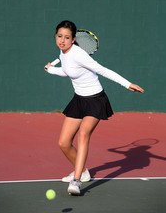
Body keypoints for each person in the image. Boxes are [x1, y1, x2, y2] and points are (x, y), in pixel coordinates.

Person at [45, 20, 144, 195]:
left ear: (74, 39)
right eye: (60, 36)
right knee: (64, 143)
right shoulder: (62, 53)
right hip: (79, 99)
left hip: (95, 99)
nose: (63, 40)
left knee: (83, 134)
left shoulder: (78, 54)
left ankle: (76, 181)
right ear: (55, 36)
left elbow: (103, 70)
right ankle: (82, 172)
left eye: (67, 37)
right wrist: (52, 70)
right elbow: (68, 71)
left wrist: (127, 84)